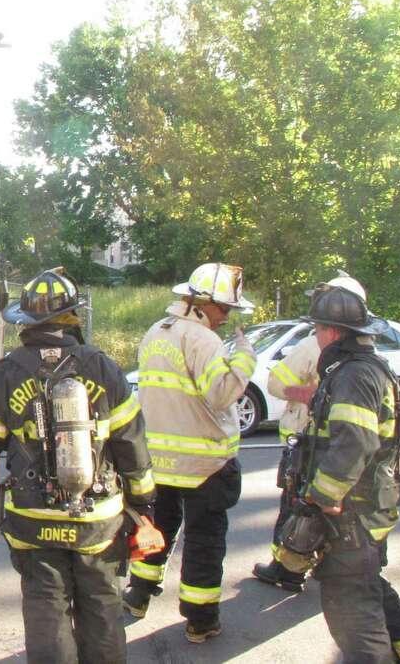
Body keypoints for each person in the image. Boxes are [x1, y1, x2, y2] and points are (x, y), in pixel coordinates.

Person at [0, 267, 156, 664]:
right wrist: (144, 502)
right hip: (98, 521)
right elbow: (131, 441)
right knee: (102, 608)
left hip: (34, 521)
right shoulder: (102, 367)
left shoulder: (7, 372)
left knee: (45, 612)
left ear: (26, 320)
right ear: (73, 316)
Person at [122, 263, 256, 643]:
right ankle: (200, 620)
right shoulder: (203, 340)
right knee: (204, 542)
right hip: (204, 465)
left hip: (159, 462)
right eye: (225, 308)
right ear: (202, 302)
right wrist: (244, 358)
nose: (227, 316)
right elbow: (222, 394)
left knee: (156, 531)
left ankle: (138, 595)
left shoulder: (155, 333)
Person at [287, 282, 400, 662]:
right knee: (368, 585)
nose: (316, 337)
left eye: (316, 330)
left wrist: (321, 499)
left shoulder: (354, 376)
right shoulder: (362, 368)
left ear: (330, 331)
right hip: (365, 512)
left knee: (354, 618)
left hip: (351, 518)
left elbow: (354, 444)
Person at [252, 271, 363, 593]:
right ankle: (289, 567)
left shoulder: (341, 351)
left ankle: (289, 569)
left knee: (300, 506)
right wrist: (303, 394)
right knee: (304, 503)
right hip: (307, 440)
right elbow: (275, 382)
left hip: (320, 444)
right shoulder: (313, 346)